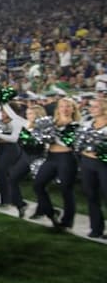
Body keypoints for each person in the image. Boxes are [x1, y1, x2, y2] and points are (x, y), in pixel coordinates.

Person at [32, 98, 80, 229]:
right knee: (38, 185)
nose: (65, 109)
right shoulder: (52, 122)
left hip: (66, 158)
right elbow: (41, 137)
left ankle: (67, 221)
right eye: (62, 106)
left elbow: (68, 142)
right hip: (51, 157)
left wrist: (52, 133)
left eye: (68, 106)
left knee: (66, 190)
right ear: (57, 109)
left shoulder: (76, 125)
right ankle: (51, 213)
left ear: (73, 109)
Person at [79, 98, 107, 238]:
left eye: (95, 107)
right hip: (87, 162)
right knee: (91, 195)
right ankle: (96, 228)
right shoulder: (87, 123)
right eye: (91, 107)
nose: (91, 109)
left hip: (104, 164)